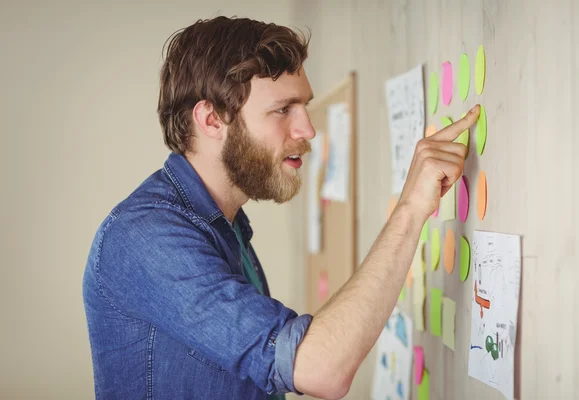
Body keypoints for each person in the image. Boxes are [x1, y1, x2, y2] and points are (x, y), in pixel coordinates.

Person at [82, 15, 480, 400]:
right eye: (283, 109)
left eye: (304, 106)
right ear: (211, 119)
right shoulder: (146, 237)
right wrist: (410, 208)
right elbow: (319, 369)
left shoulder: (227, 226)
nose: (307, 130)